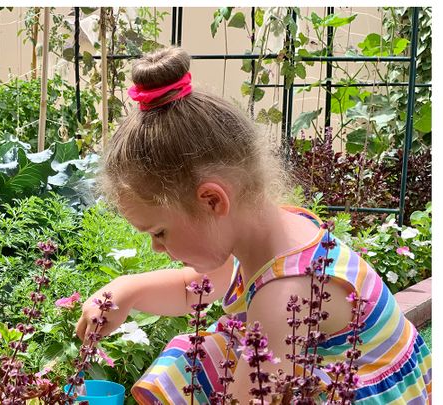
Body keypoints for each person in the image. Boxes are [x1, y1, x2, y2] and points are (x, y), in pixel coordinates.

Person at [76, 47, 431, 404]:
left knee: (207, 358)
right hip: (303, 369)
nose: (156, 246)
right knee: (205, 354)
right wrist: (126, 291)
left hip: (359, 393)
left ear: (213, 201)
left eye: (159, 232)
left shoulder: (286, 295)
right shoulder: (261, 231)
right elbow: (194, 288)